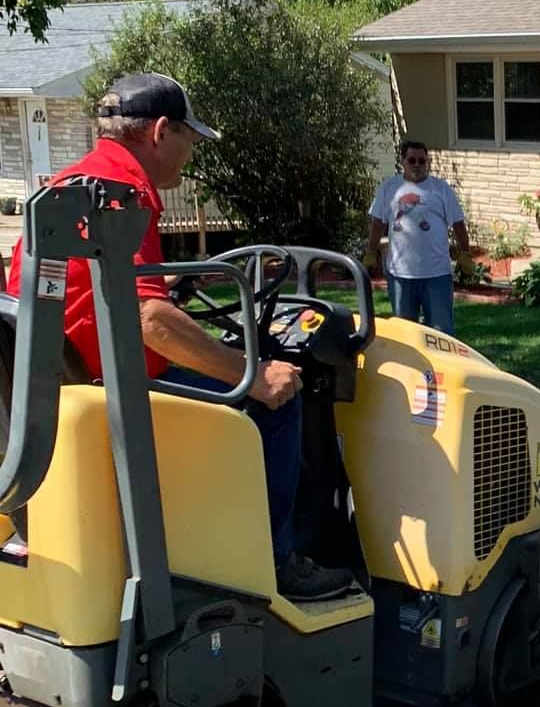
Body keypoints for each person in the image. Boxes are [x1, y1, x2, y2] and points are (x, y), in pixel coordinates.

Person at [4, 72, 354, 602]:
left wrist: (162, 287)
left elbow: (98, 295)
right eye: (189, 138)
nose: (191, 151)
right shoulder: (122, 195)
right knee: (278, 401)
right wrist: (253, 375)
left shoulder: (72, 185)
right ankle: (279, 564)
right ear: (160, 131)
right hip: (114, 385)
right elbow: (150, 322)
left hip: (64, 379)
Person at [368, 140, 469, 333]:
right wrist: (371, 252)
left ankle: (441, 364)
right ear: (402, 161)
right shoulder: (389, 188)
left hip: (437, 274)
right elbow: (377, 223)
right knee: (406, 333)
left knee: (442, 333)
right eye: (412, 160)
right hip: (400, 275)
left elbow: (458, 224)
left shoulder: (441, 189)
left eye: (422, 161)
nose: (417, 165)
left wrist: (465, 254)